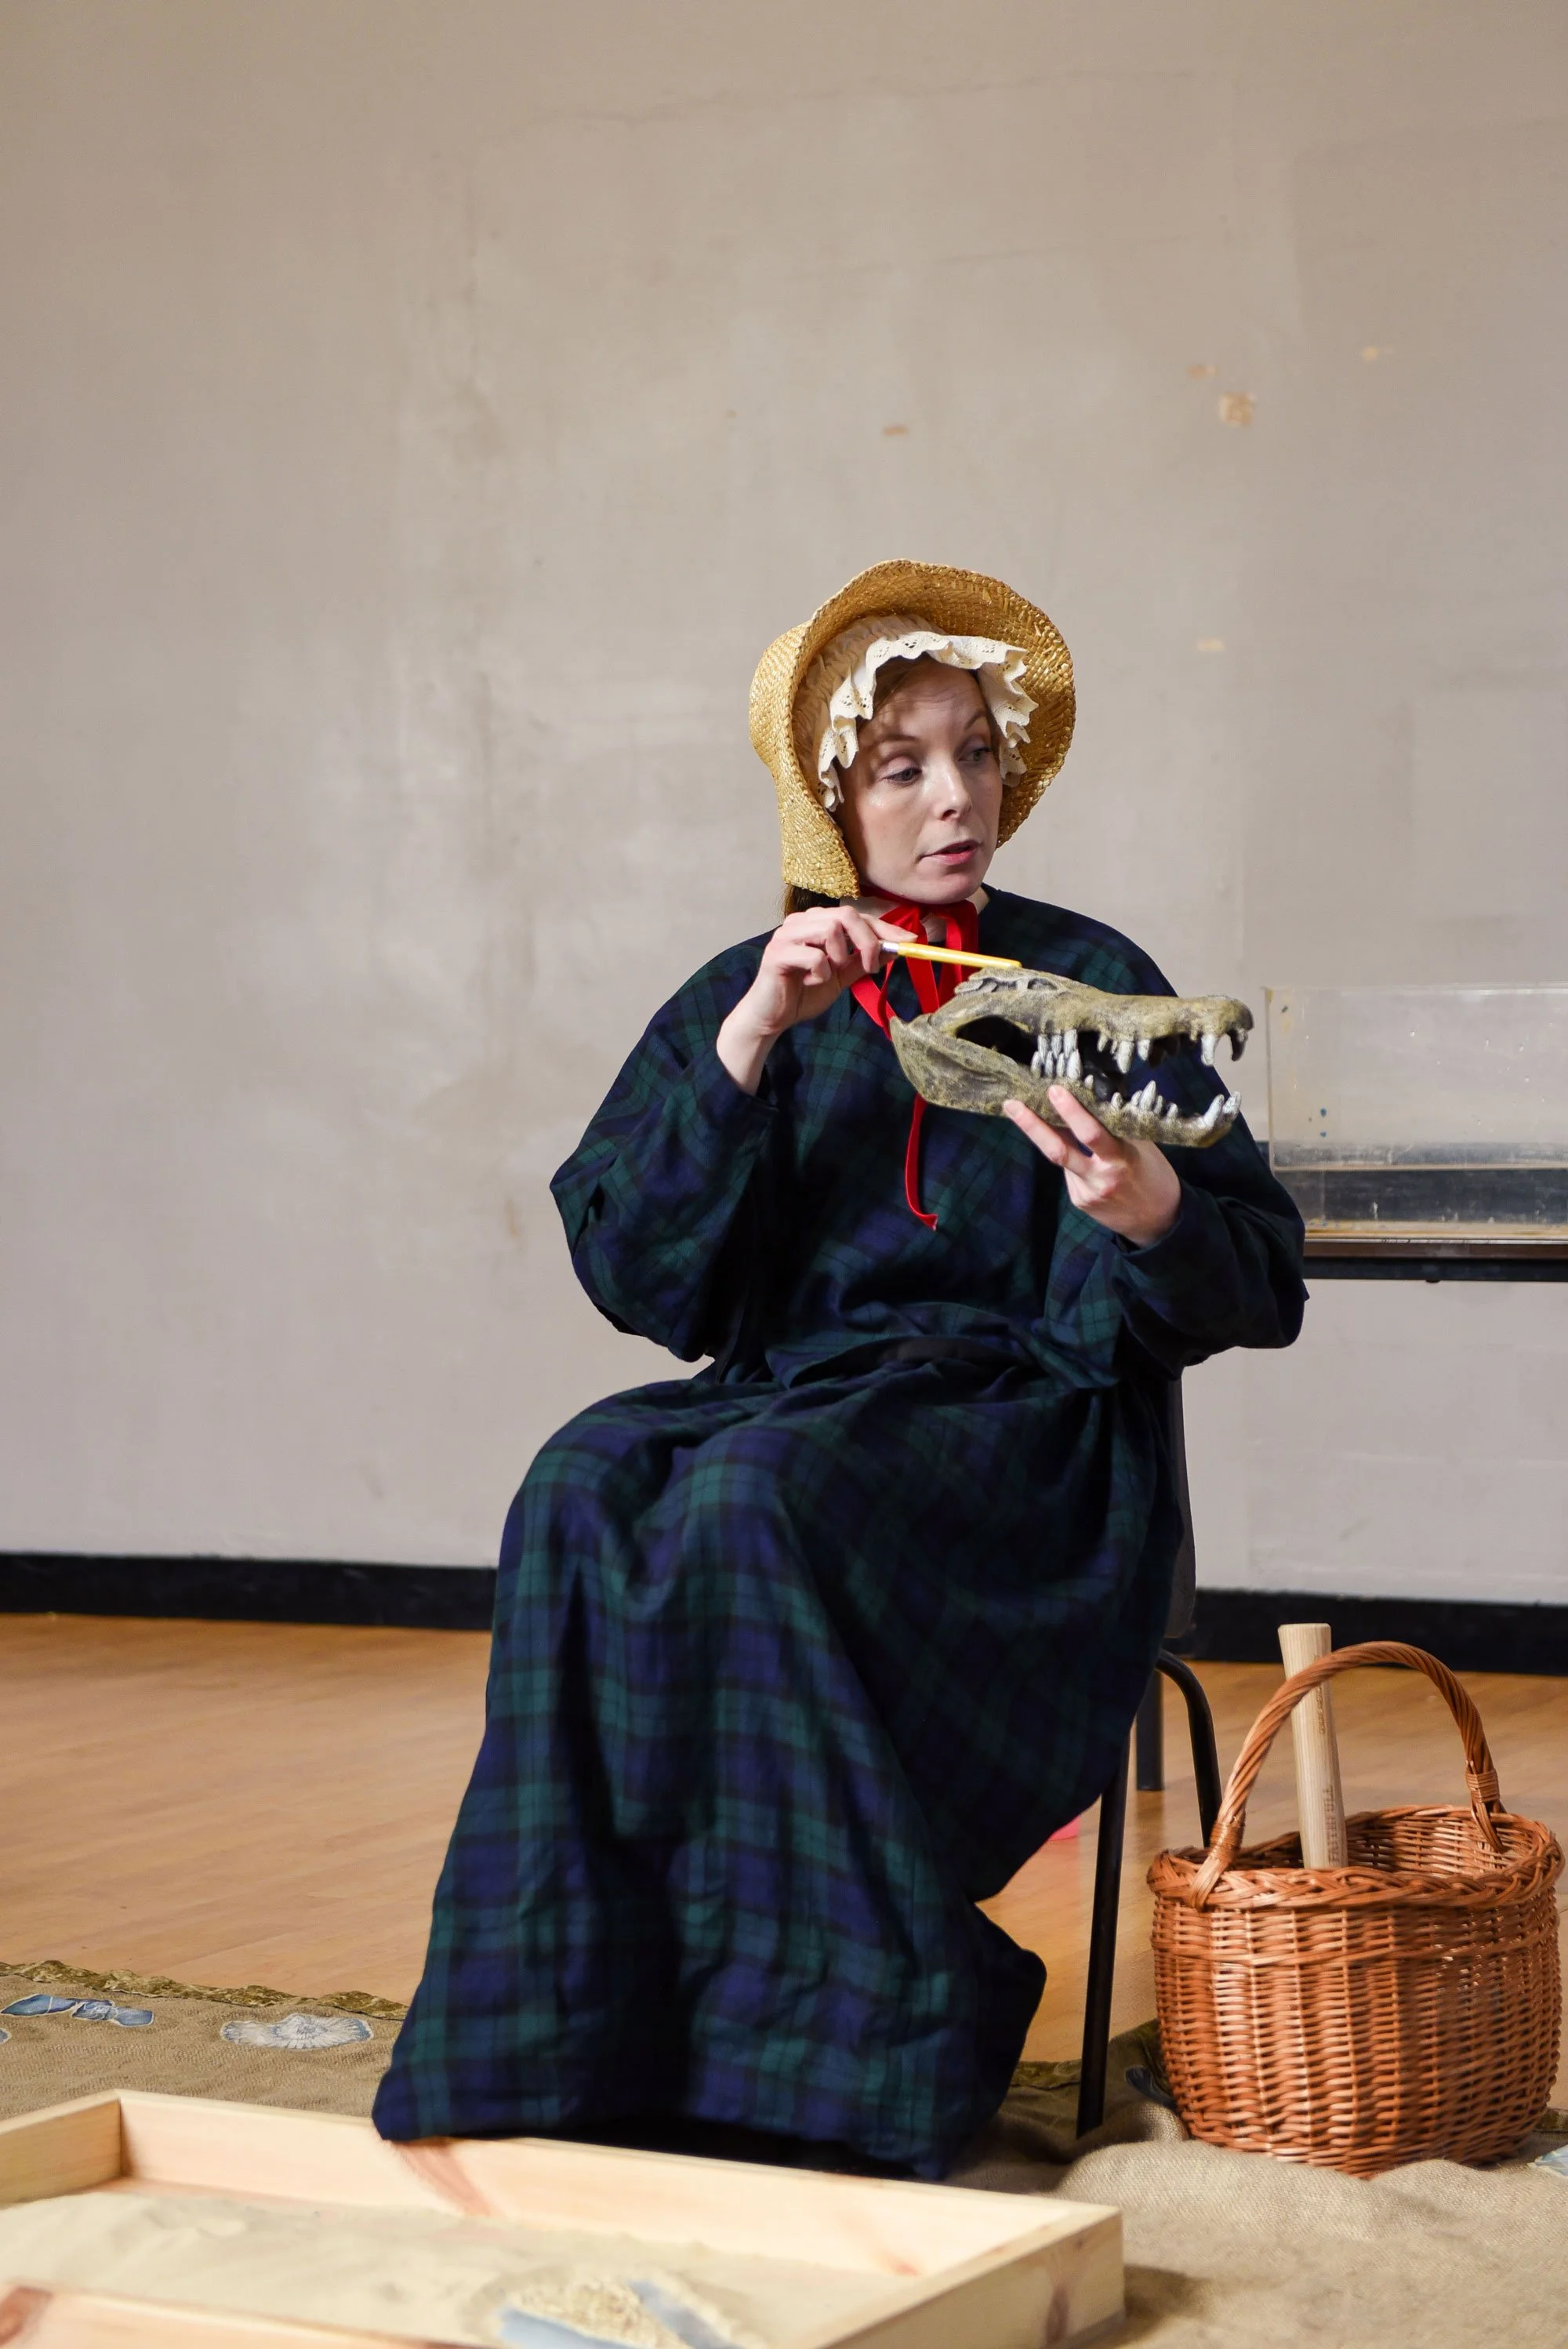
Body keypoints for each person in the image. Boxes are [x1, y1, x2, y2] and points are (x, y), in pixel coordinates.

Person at [373, 560, 1305, 2177]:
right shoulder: (763, 988)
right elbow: (635, 1269)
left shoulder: (1088, 978)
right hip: (800, 1402)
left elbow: (1261, 1271)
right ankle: (580, 2027)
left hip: (1033, 1449)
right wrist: (748, 1039)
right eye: (904, 768)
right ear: (830, 801)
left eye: (978, 757)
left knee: (752, 1495)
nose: (958, 799)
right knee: (584, 1473)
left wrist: (1149, 1208)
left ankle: (848, 2047)